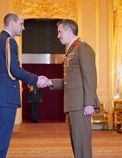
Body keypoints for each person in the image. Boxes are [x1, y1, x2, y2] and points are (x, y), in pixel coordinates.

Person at [0, 13, 48, 158]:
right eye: (21, 24)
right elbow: (14, 70)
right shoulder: (9, 41)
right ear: (12, 23)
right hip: (6, 98)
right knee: (1, 142)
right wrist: (36, 79)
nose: (23, 27)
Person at [48, 19, 100, 158]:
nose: (58, 35)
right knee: (77, 145)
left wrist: (89, 103)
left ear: (69, 31)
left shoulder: (82, 48)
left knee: (82, 145)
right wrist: (49, 82)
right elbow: (70, 81)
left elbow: (90, 77)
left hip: (81, 105)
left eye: (60, 32)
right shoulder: (72, 49)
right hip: (74, 105)